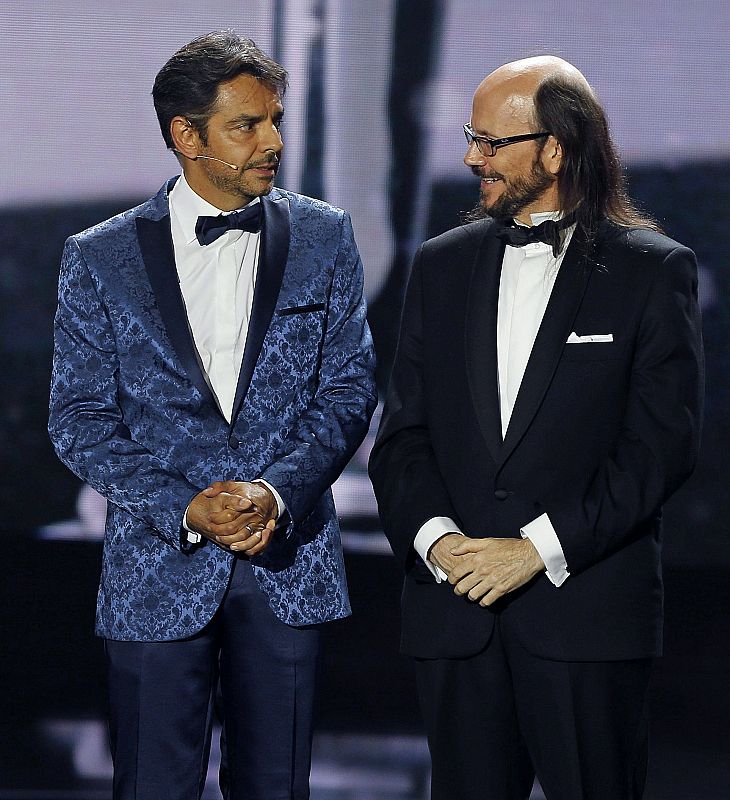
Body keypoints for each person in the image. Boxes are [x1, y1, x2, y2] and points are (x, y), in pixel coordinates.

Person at [48, 30, 376, 800]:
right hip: (155, 567)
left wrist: (273, 493)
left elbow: (348, 388)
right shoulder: (98, 256)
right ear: (187, 136)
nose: (275, 142)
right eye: (247, 125)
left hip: (285, 557)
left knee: (276, 786)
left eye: (276, 120)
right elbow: (79, 417)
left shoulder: (325, 235)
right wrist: (185, 506)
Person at [369, 55, 703, 800]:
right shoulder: (440, 266)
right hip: (456, 618)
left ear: (555, 149)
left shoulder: (651, 271)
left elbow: (658, 451)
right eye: (471, 138)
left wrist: (534, 551)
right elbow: (402, 438)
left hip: (584, 620)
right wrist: (440, 544)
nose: (471, 158)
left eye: (491, 142)